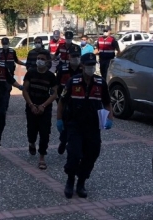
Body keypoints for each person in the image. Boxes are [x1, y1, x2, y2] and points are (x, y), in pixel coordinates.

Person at [57, 53, 114, 199]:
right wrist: (59, 120)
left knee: (92, 153)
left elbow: (107, 103)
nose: (91, 67)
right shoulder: (73, 81)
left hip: (93, 126)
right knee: (74, 154)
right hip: (75, 125)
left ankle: (81, 181)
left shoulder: (100, 83)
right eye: (88, 65)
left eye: (93, 65)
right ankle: (70, 180)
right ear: (82, 65)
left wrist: (109, 119)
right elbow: (62, 101)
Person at [22, 50, 58, 170]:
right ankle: (31, 143)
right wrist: (31, 105)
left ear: (47, 61)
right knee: (32, 130)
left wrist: (43, 106)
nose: (39, 61)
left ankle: (42, 157)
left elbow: (54, 94)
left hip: (45, 109)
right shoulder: (30, 73)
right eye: (38, 58)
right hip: (31, 106)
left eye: (42, 59)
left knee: (44, 133)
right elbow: (25, 90)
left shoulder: (51, 77)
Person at [55, 44, 82, 155]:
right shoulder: (62, 69)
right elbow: (56, 85)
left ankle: (73, 147)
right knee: (65, 126)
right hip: (65, 102)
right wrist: (57, 99)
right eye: (73, 56)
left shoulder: (84, 69)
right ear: (69, 56)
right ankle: (63, 141)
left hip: (80, 102)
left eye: (77, 56)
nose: (75, 58)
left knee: (78, 127)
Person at [0, 37, 26, 111]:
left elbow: (16, 60)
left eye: (6, 43)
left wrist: (24, 64)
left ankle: (5, 106)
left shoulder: (12, 51)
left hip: (10, 75)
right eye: (4, 44)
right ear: (2, 44)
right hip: (0, 76)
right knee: (0, 91)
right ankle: (0, 105)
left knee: (7, 91)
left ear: (8, 44)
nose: (5, 45)